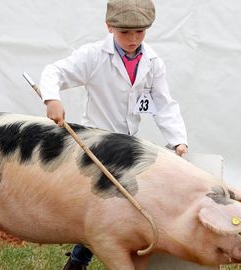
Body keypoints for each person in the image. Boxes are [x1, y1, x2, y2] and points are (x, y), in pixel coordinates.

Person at [39, 0, 188, 269]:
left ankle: (81, 259)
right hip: (96, 143)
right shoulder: (93, 56)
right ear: (109, 27)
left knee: (118, 204)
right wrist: (52, 99)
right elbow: (55, 71)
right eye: (124, 33)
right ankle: (80, 259)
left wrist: (177, 139)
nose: (132, 39)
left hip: (129, 145)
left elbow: (164, 104)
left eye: (139, 32)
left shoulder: (153, 63)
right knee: (102, 204)